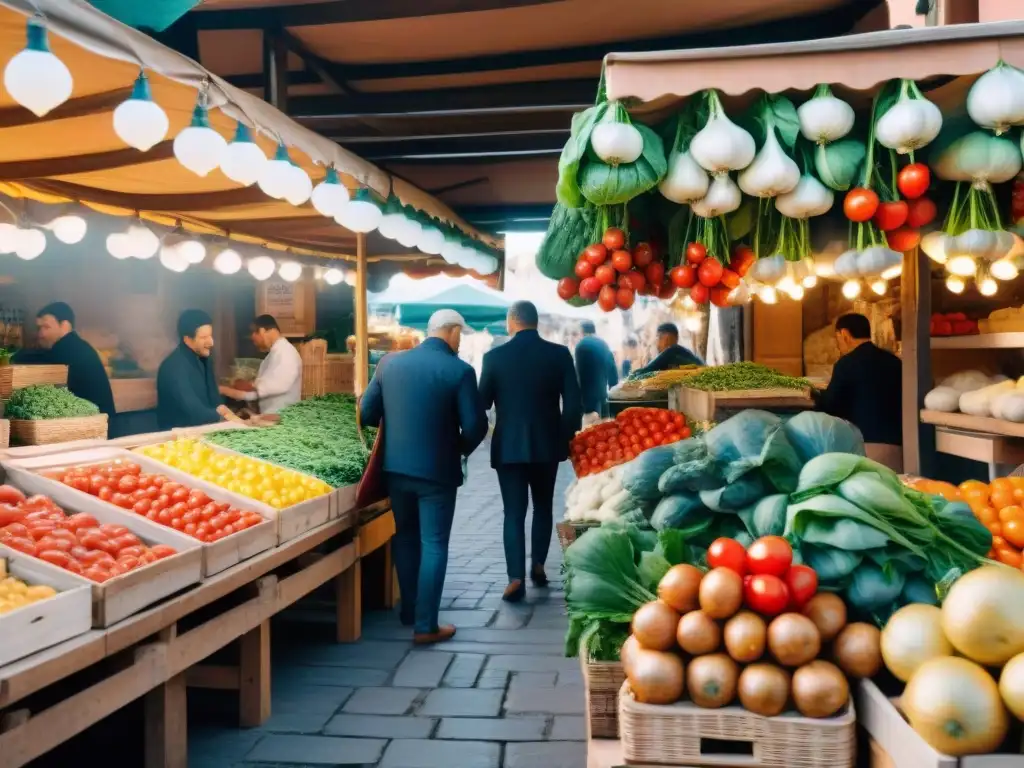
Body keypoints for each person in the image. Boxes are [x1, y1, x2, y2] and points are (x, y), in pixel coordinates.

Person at [359, 309, 488, 645]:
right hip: (437, 473)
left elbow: (367, 412)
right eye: (460, 334)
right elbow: (476, 426)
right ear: (450, 332)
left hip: (396, 469)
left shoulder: (389, 364)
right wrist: (457, 448)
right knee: (434, 543)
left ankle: (409, 610)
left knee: (405, 536)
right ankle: (425, 624)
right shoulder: (459, 371)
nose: (461, 340)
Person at [479, 301, 581, 602]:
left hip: (508, 446)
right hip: (546, 445)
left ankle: (514, 578)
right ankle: (537, 564)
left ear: (512, 321)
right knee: (542, 507)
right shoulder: (559, 355)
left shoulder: (494, 357)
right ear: (536, 322)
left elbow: (482, 401)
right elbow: (573, 405)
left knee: (513, 512)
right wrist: (564, 439)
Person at [815, 313, 903, 471]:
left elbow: (831, 405)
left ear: (844, 334)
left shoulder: (846, 364)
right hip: (898, 447)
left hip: (864, 447)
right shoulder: (895, 362)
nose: (838, 345)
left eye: (837, 338)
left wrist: (815, 395)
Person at [13, 302, 116, 418]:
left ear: (65, 326)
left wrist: (12, 357)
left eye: (46, 327)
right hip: (101, 425)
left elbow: (41, 360)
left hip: (97, 428)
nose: (41, 334)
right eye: (39, 328)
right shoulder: (78, 346)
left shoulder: (70, 349)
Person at [157, 309, 241, 430]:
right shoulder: (173, 367)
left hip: (205, 430)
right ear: (187, 339)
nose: (211, 342)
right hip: (178, 439)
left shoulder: (205, 358)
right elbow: (194, 411)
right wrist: (226, 417)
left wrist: (230, 415)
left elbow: (214, 399)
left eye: (210, 336)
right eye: (203, 337)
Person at [219, 315, 302, 414]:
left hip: (283, 417)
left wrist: (249, 385)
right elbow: (261, 392)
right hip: (270, 416)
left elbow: (279, 385)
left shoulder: (286, 352)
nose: (253, 340)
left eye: (253, 333)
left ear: (262, 331)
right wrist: (226, 390)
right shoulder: (273, 355)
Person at [574, 320, 617, 417]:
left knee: (589, 429)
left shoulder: (580, 345)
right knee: (604, 427)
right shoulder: (604, 344)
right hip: (602, 397)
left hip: (586, 401)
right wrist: (613, 388)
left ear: (582, 331)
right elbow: (612, 368)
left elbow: (577, 374)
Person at [633, 323, 704, 375]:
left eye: (658, 338)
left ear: (666, 338)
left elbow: (642, 373)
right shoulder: (682, 354)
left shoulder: (672, 351)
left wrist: (636, 374)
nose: (657, 344)